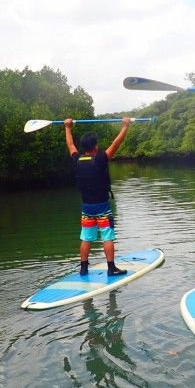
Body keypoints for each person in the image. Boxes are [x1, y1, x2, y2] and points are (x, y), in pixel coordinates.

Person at [64, 117, 133, 276]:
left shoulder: (77, 160)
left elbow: (70, 144)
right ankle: (111, 268)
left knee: (86, 238)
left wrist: (68, 128)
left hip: (86, 208)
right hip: (102, 206)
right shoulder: (100, 159)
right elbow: (116, 144)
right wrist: (125, 126)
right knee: (107, 237)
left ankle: (83, 268)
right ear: (95, 146)